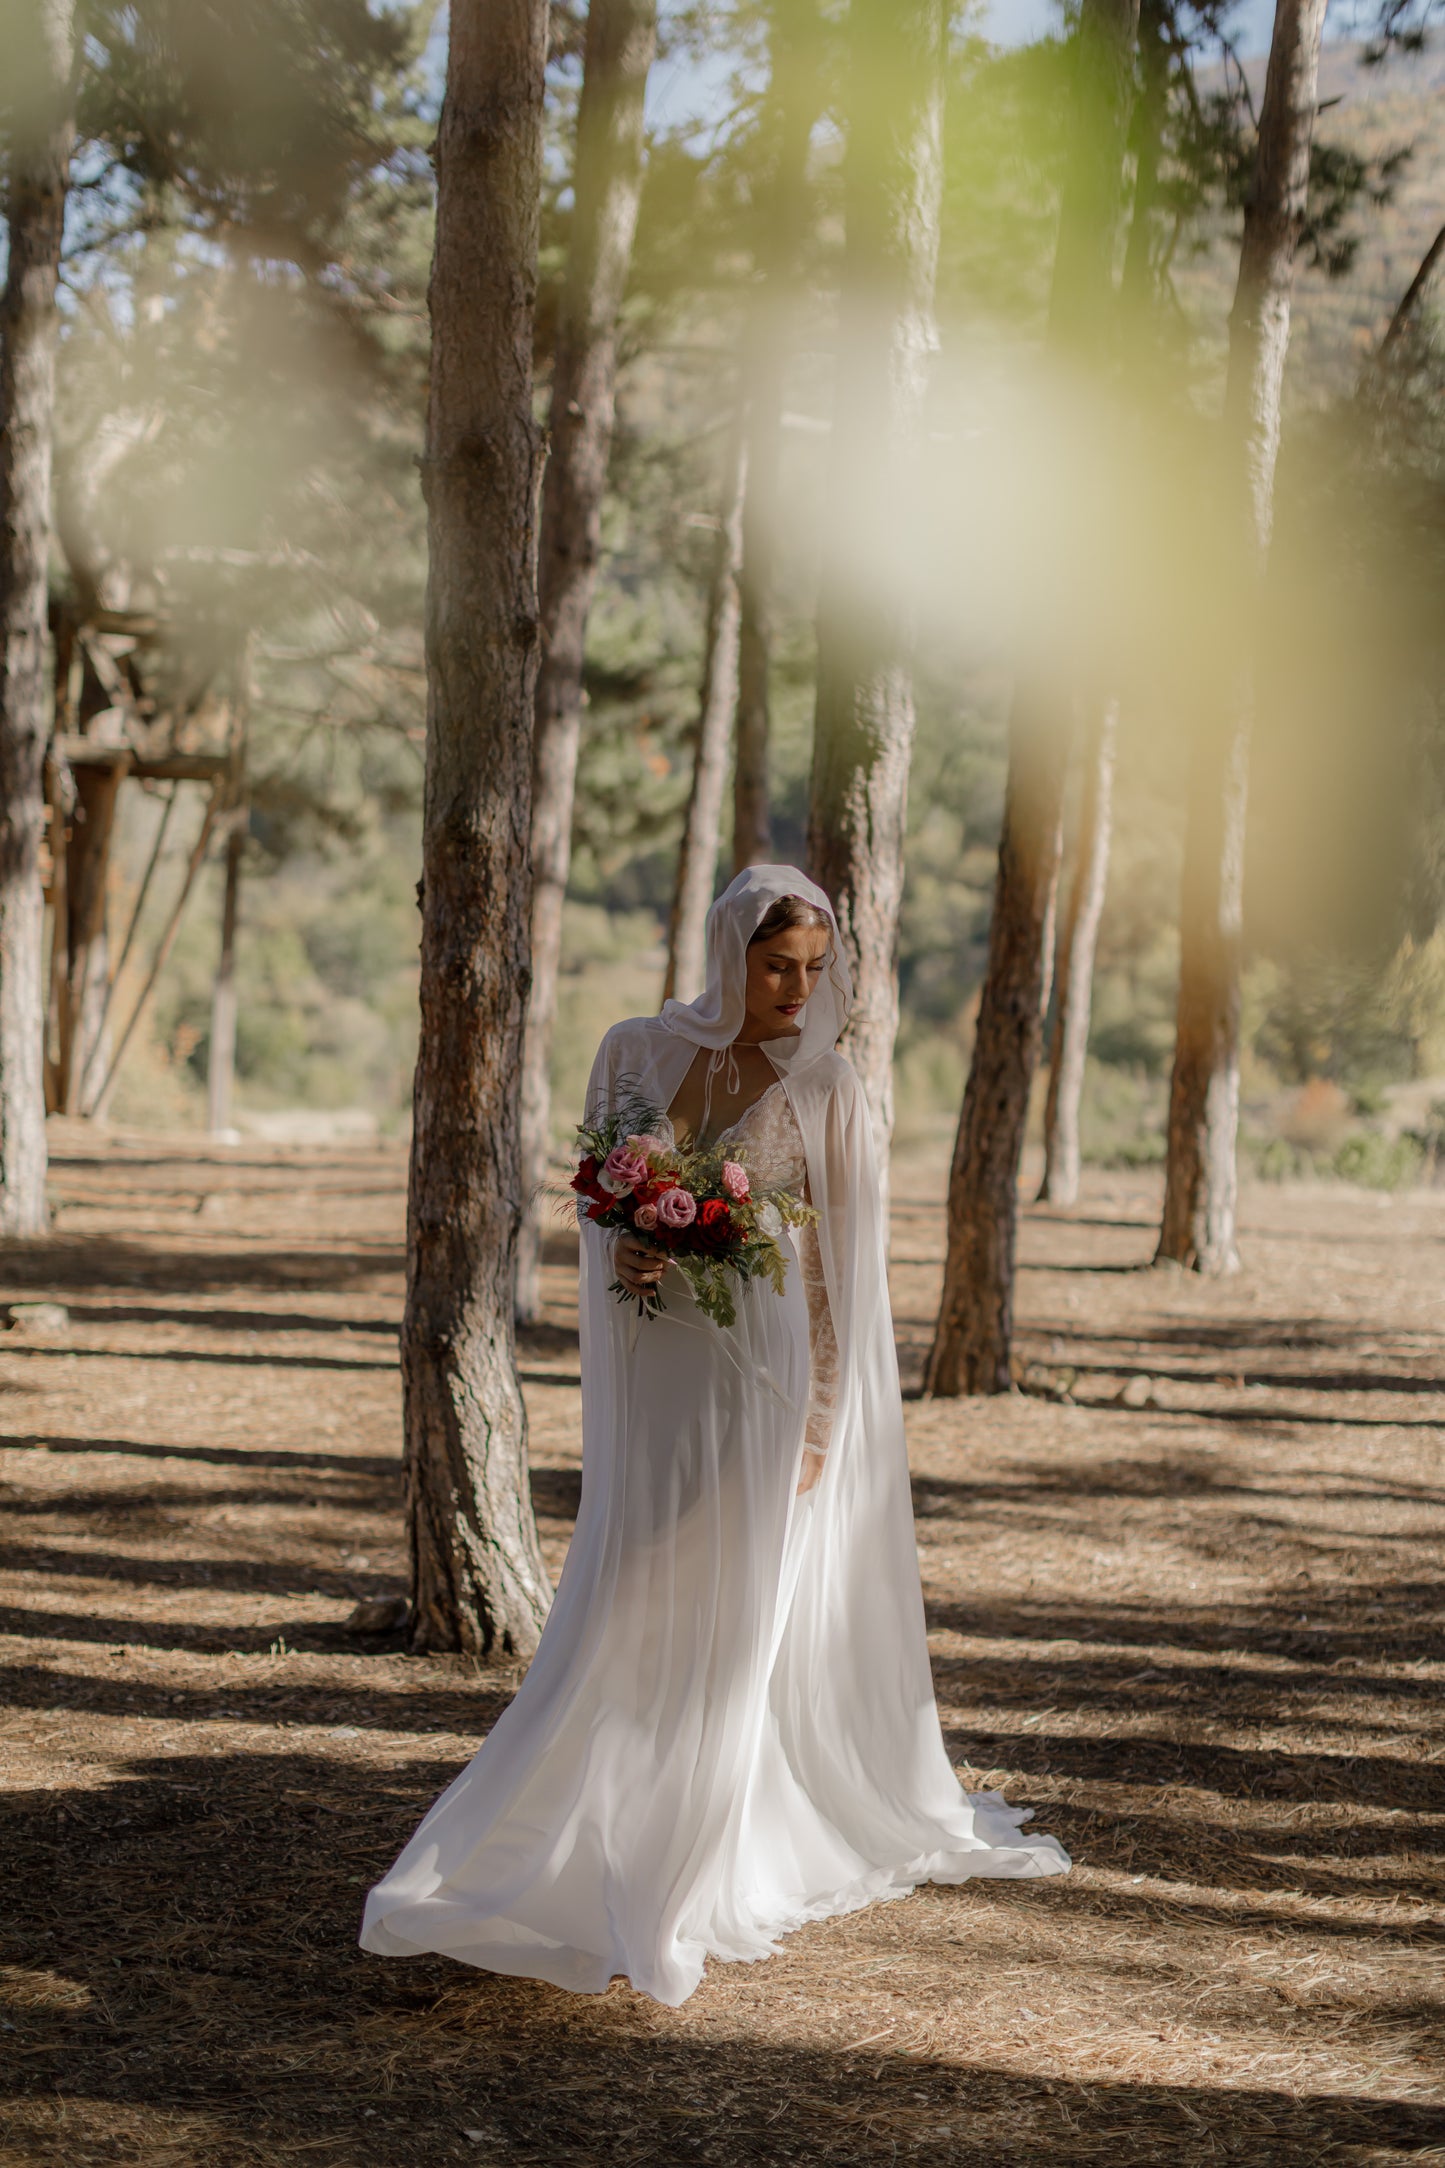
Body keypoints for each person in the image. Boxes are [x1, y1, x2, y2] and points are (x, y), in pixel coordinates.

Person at [360, 865, 1068, 2005]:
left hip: (762, 1378)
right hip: (658, 1373)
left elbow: (839, 1283)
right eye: (774, 962)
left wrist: (824, 1421)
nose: (795, 987)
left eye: (813, 970)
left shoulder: (831, 1088)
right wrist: (625, 1253)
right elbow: (602, 1206)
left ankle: (694, 1855)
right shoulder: (632, 1053)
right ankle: (589, 1806)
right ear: (729, 948)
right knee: (631, 1588)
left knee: (732, 1607)